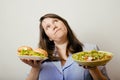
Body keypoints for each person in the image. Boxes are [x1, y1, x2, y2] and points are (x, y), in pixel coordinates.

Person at [21, 13, 110, 80]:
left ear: (65, 24)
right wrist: (35, 68)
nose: (54, 26)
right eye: (48, 27)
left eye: (55, 21)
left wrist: (93, 68)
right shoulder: (38, 58)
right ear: (48, 37)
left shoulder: (91, 50)